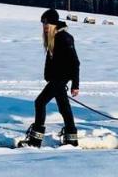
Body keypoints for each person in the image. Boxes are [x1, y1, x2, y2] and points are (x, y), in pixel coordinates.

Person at [19, 8, 80, 147]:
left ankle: (35, 140)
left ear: (53, 24)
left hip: (60, 79)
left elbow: (75, 63)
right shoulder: (54, 38)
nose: (45, 28)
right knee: (64, 108)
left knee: (39, 102)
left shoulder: (64, 38)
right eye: (43, 25)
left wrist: (75, 85)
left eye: (47, 25)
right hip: (56, 79)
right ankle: (71, 139)